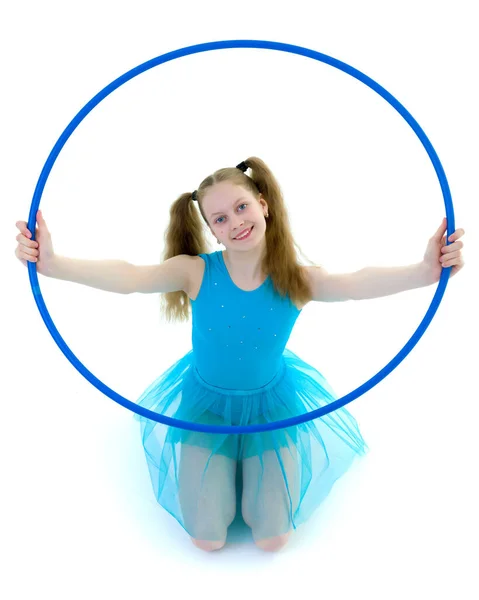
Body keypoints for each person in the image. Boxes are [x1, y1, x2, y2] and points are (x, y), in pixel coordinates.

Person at [15, 156, 465, 553]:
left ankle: (246, 463)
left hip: (272, 407)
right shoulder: (195, 271)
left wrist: (425, 271)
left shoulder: (297, 280)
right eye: (220, 219)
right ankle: (223, 464)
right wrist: (55, 264)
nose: (235, 223)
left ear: (264, 204)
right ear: (210, 229)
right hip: (205, 406)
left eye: (241, 207)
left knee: (272, 538)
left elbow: (355, 284)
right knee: (207, 539)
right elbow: (132, 276)